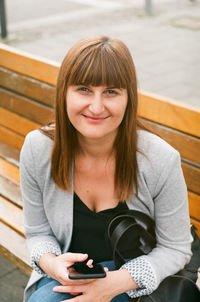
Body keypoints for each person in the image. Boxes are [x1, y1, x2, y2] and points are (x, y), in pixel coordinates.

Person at [20, 36, 192, 302]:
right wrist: (51, 263)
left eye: (111, 91)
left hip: (132, 279)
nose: (97, 106)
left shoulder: (160, 159)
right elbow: (37, 232)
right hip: (64, 278)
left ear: (128, 98)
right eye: (84, 90)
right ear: (64, 92)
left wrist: (112, 285)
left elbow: (176, 247)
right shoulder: (37, 149)